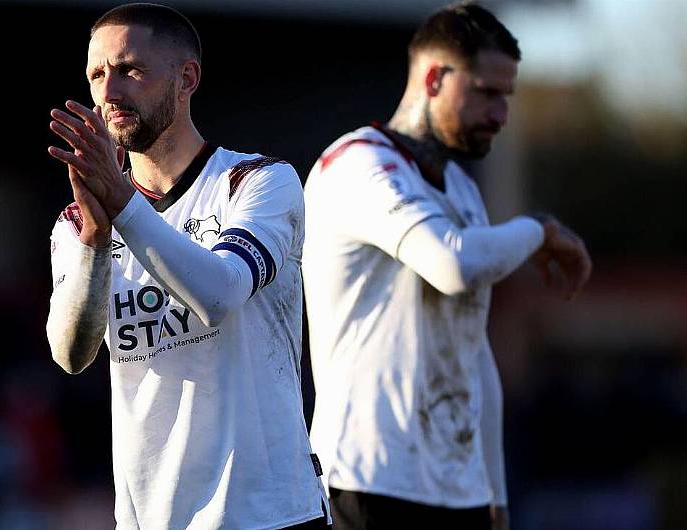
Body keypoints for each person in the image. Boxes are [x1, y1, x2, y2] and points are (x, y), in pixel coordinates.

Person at [302, 3, 592, 530]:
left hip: (459, 491)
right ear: (434, 77)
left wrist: (495, 493)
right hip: (368, 480)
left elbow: (472, 348)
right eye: (486, 92)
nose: (501, 115)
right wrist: (540, 230)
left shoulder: (460, 188)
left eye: (507, 97)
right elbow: (452, 264)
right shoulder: (357, 162)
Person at [44, 4, 330, 529]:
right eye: (97, 75)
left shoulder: (258, 182)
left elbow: (220, 293)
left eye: (131, 70)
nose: (109, 93)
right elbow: (71, 353)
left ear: (186, 78)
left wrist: (123, 205)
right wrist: (94, 245)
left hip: (268, 515)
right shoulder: (78, 221)